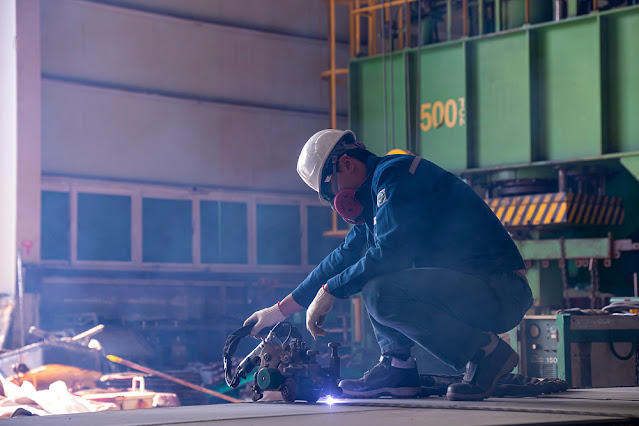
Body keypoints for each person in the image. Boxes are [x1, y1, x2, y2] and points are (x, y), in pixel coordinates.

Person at [244, 129, 533, 401]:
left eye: (330, 192)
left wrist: (331, 291)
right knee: (375, 281)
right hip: (473, 288)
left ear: (346, 164)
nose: (335, 202)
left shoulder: (396, 176)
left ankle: (486, 353)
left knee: (380, 291)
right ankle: (399, 368)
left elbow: (390, 254)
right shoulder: (374, 196)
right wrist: (278, 311)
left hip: (501, 290)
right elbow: (343, 257)